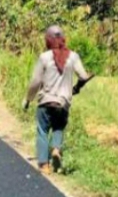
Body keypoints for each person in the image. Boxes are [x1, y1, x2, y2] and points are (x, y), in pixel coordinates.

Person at [22, 25, 93, 174]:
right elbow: (83, 76)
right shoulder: (73, 56)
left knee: (42, 130)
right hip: (63, 102)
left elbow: (35, 82)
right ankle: (55, 149)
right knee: (58, 127)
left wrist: (28, 99)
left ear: (48, 40)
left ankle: (44, 164)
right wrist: (77, 87)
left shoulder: (44, 57)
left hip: (45, 101)